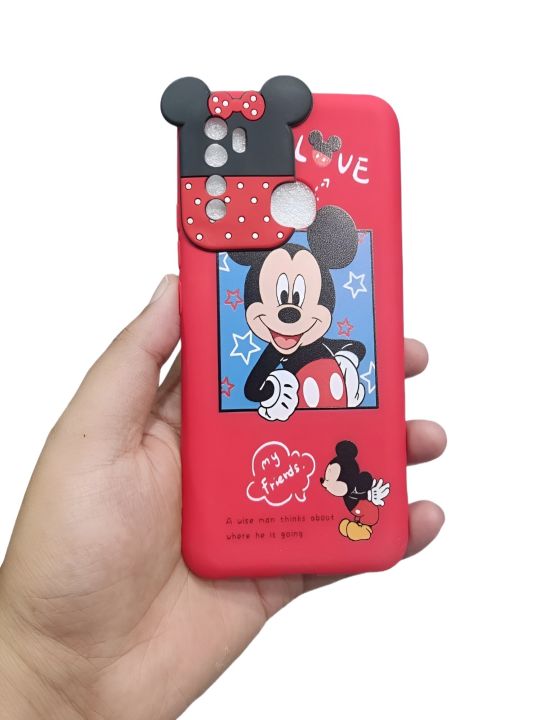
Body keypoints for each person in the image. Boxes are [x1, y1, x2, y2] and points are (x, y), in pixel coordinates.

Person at [0, 275, 446, 719]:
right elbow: (255, 386)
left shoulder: (331, 349)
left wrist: (38, 668)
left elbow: (358, 349)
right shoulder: (270, 358)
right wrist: (40, 661)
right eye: (277, 297)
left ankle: (357, 507)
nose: (289, 311)